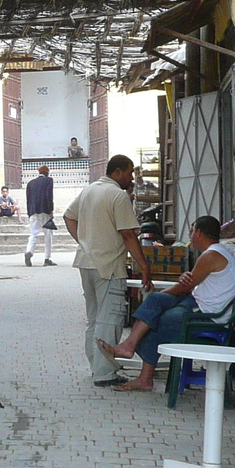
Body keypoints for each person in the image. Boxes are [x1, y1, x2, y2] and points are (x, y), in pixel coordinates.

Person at [98, 215, 235, 392]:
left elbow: (183, 288)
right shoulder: (214, 252)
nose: (190, 236)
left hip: (210, 316)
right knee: (155, 301)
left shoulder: (211, 256)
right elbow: (190, 282)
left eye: (191, 231)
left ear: (199, 233)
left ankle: (144, 377)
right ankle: (129, 346)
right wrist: (174, 286)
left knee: (159, 320)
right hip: (197, 302)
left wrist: (167, 291)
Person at [65, 154, 153, 388]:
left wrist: (83, 242)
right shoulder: (117, 195)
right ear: (118, 172)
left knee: (94, 319)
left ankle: (97, 368)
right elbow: (128, 234)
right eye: (129, 171)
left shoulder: (90, 190)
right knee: (109, 318)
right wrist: (144, 266)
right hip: (108, 267)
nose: (131, 177)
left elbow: (68, 216)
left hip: (86, 263)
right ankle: (105, 374)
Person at [25, 165, 55, 267]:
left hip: (33, 211)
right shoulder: (49, 181)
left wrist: (29, 212)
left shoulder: (30, 183)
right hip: (45, 210)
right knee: (48, 235)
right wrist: (51, 210)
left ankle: (29, 251)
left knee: (34, 234)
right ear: (47, 172)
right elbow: (49, 196)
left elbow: (28, 199)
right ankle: (47, 259)